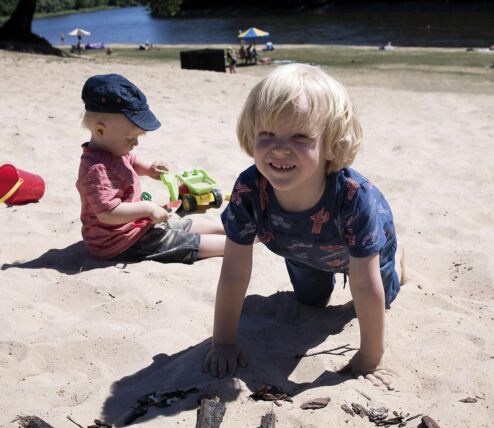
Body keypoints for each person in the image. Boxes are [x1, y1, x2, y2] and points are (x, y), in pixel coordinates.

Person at [203, 64, 405, 386]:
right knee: (310, 302)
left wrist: (370, 355)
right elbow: (234, 272)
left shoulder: (354, 198)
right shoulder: (248, 191)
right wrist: (224, 343)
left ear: (331, 144)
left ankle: (398, 260)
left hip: (361, 250)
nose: (280, 148)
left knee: (381, 294)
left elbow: (365, 287)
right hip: (301, 251)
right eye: (266, 134)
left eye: (300, 136)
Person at [76, 74, 225, 264]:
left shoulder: (114, 149)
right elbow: (108, 213)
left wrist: (149, 169)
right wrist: (147, 208)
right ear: (100, 130)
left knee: (187, 224)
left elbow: (131, 160)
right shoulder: (95, 170)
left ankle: (230, 230)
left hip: (137, 226)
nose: (136, 143)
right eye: (131, 139)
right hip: (119, 242)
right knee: (186, 242)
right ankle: (234, 245)